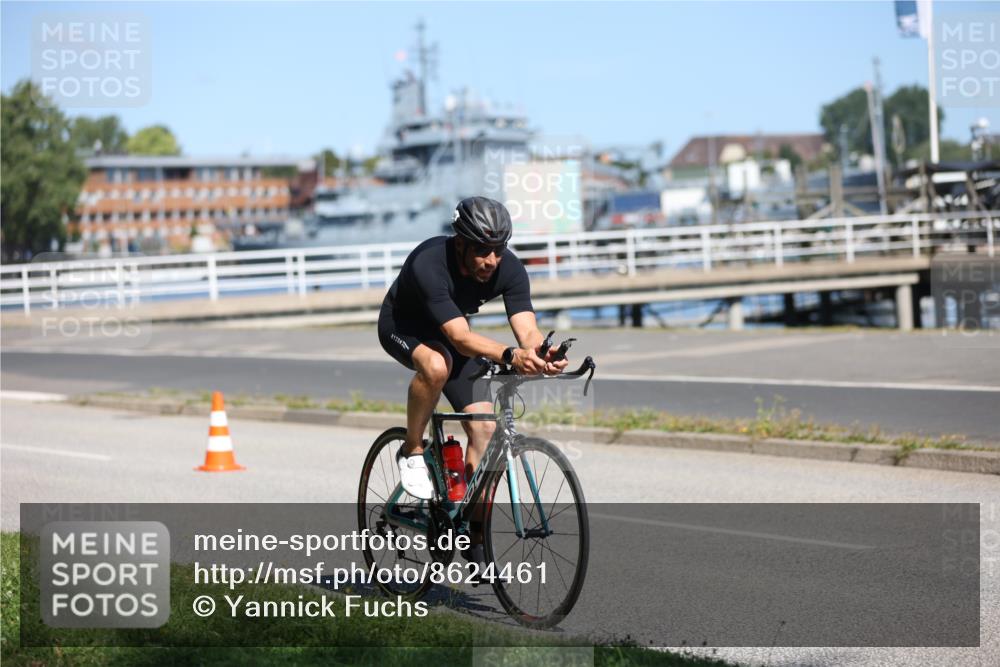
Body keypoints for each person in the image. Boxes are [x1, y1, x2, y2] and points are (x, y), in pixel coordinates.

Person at [378, 196, 569, 563]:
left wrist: (542, 353)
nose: (491, 260)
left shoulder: (507, 268)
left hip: (454, 335)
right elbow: (461, 338)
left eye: (499, 250)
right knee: (435, 367)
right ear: (460, 242)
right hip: (405, 328)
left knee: (484, 429)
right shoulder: (429, 262)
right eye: (482, 250)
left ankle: (474, 537)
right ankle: (413, 449)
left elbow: (526, 329)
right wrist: (511, 356)